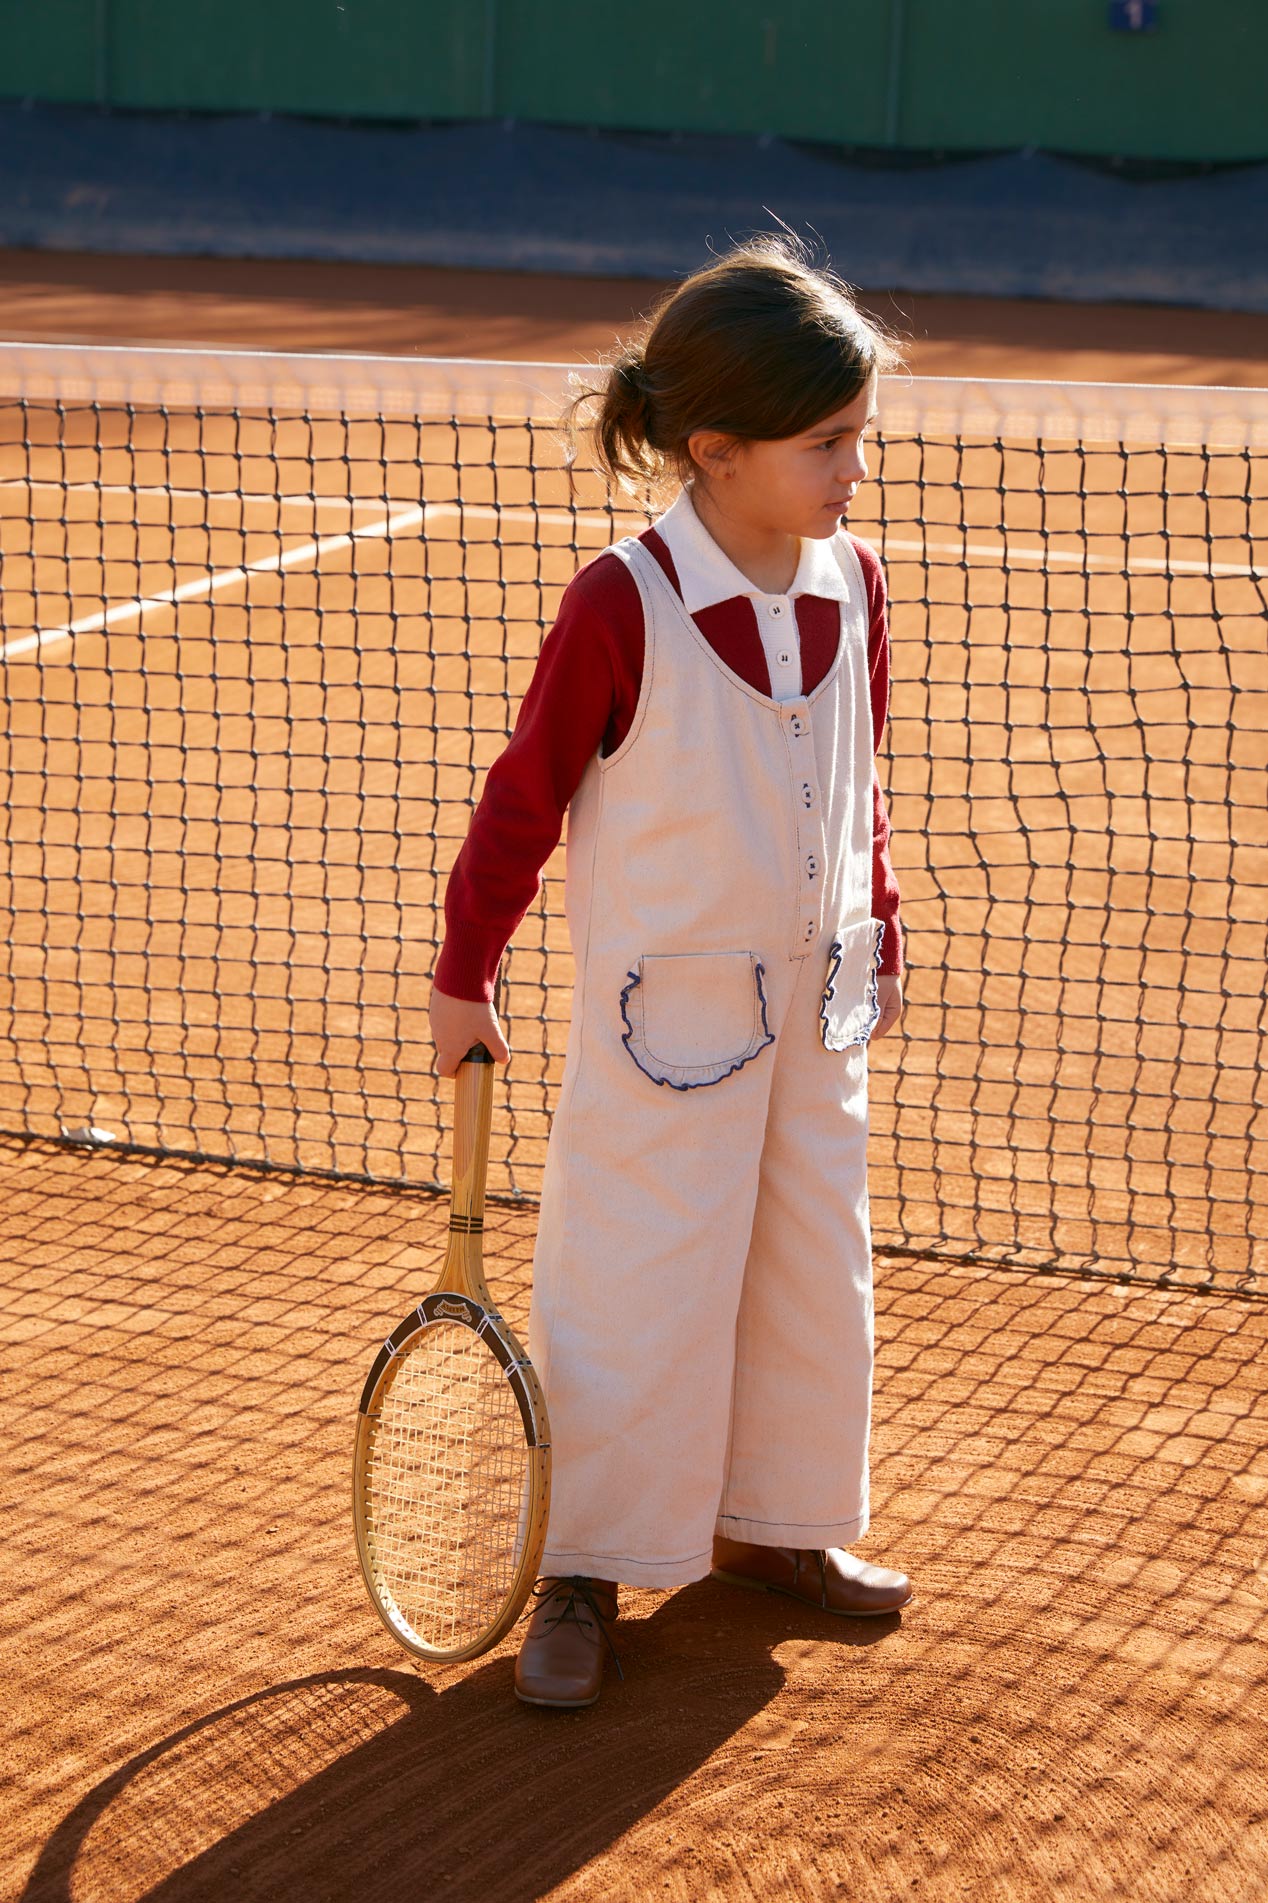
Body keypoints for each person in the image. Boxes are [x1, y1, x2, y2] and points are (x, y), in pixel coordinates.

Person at [430, 235, 912, 1709]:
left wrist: (876, 908)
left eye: (858, 438)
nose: (853, 468)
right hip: (665, 1034)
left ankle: (776, 1529)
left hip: (814, 1014)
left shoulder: (858, 581)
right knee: (632, 1282)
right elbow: (523, 797)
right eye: (828, 442)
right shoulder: (619, 603)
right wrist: (467, 970)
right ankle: (578, 1565)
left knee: (811, 1276)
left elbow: (860, 776)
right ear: (715, 449)